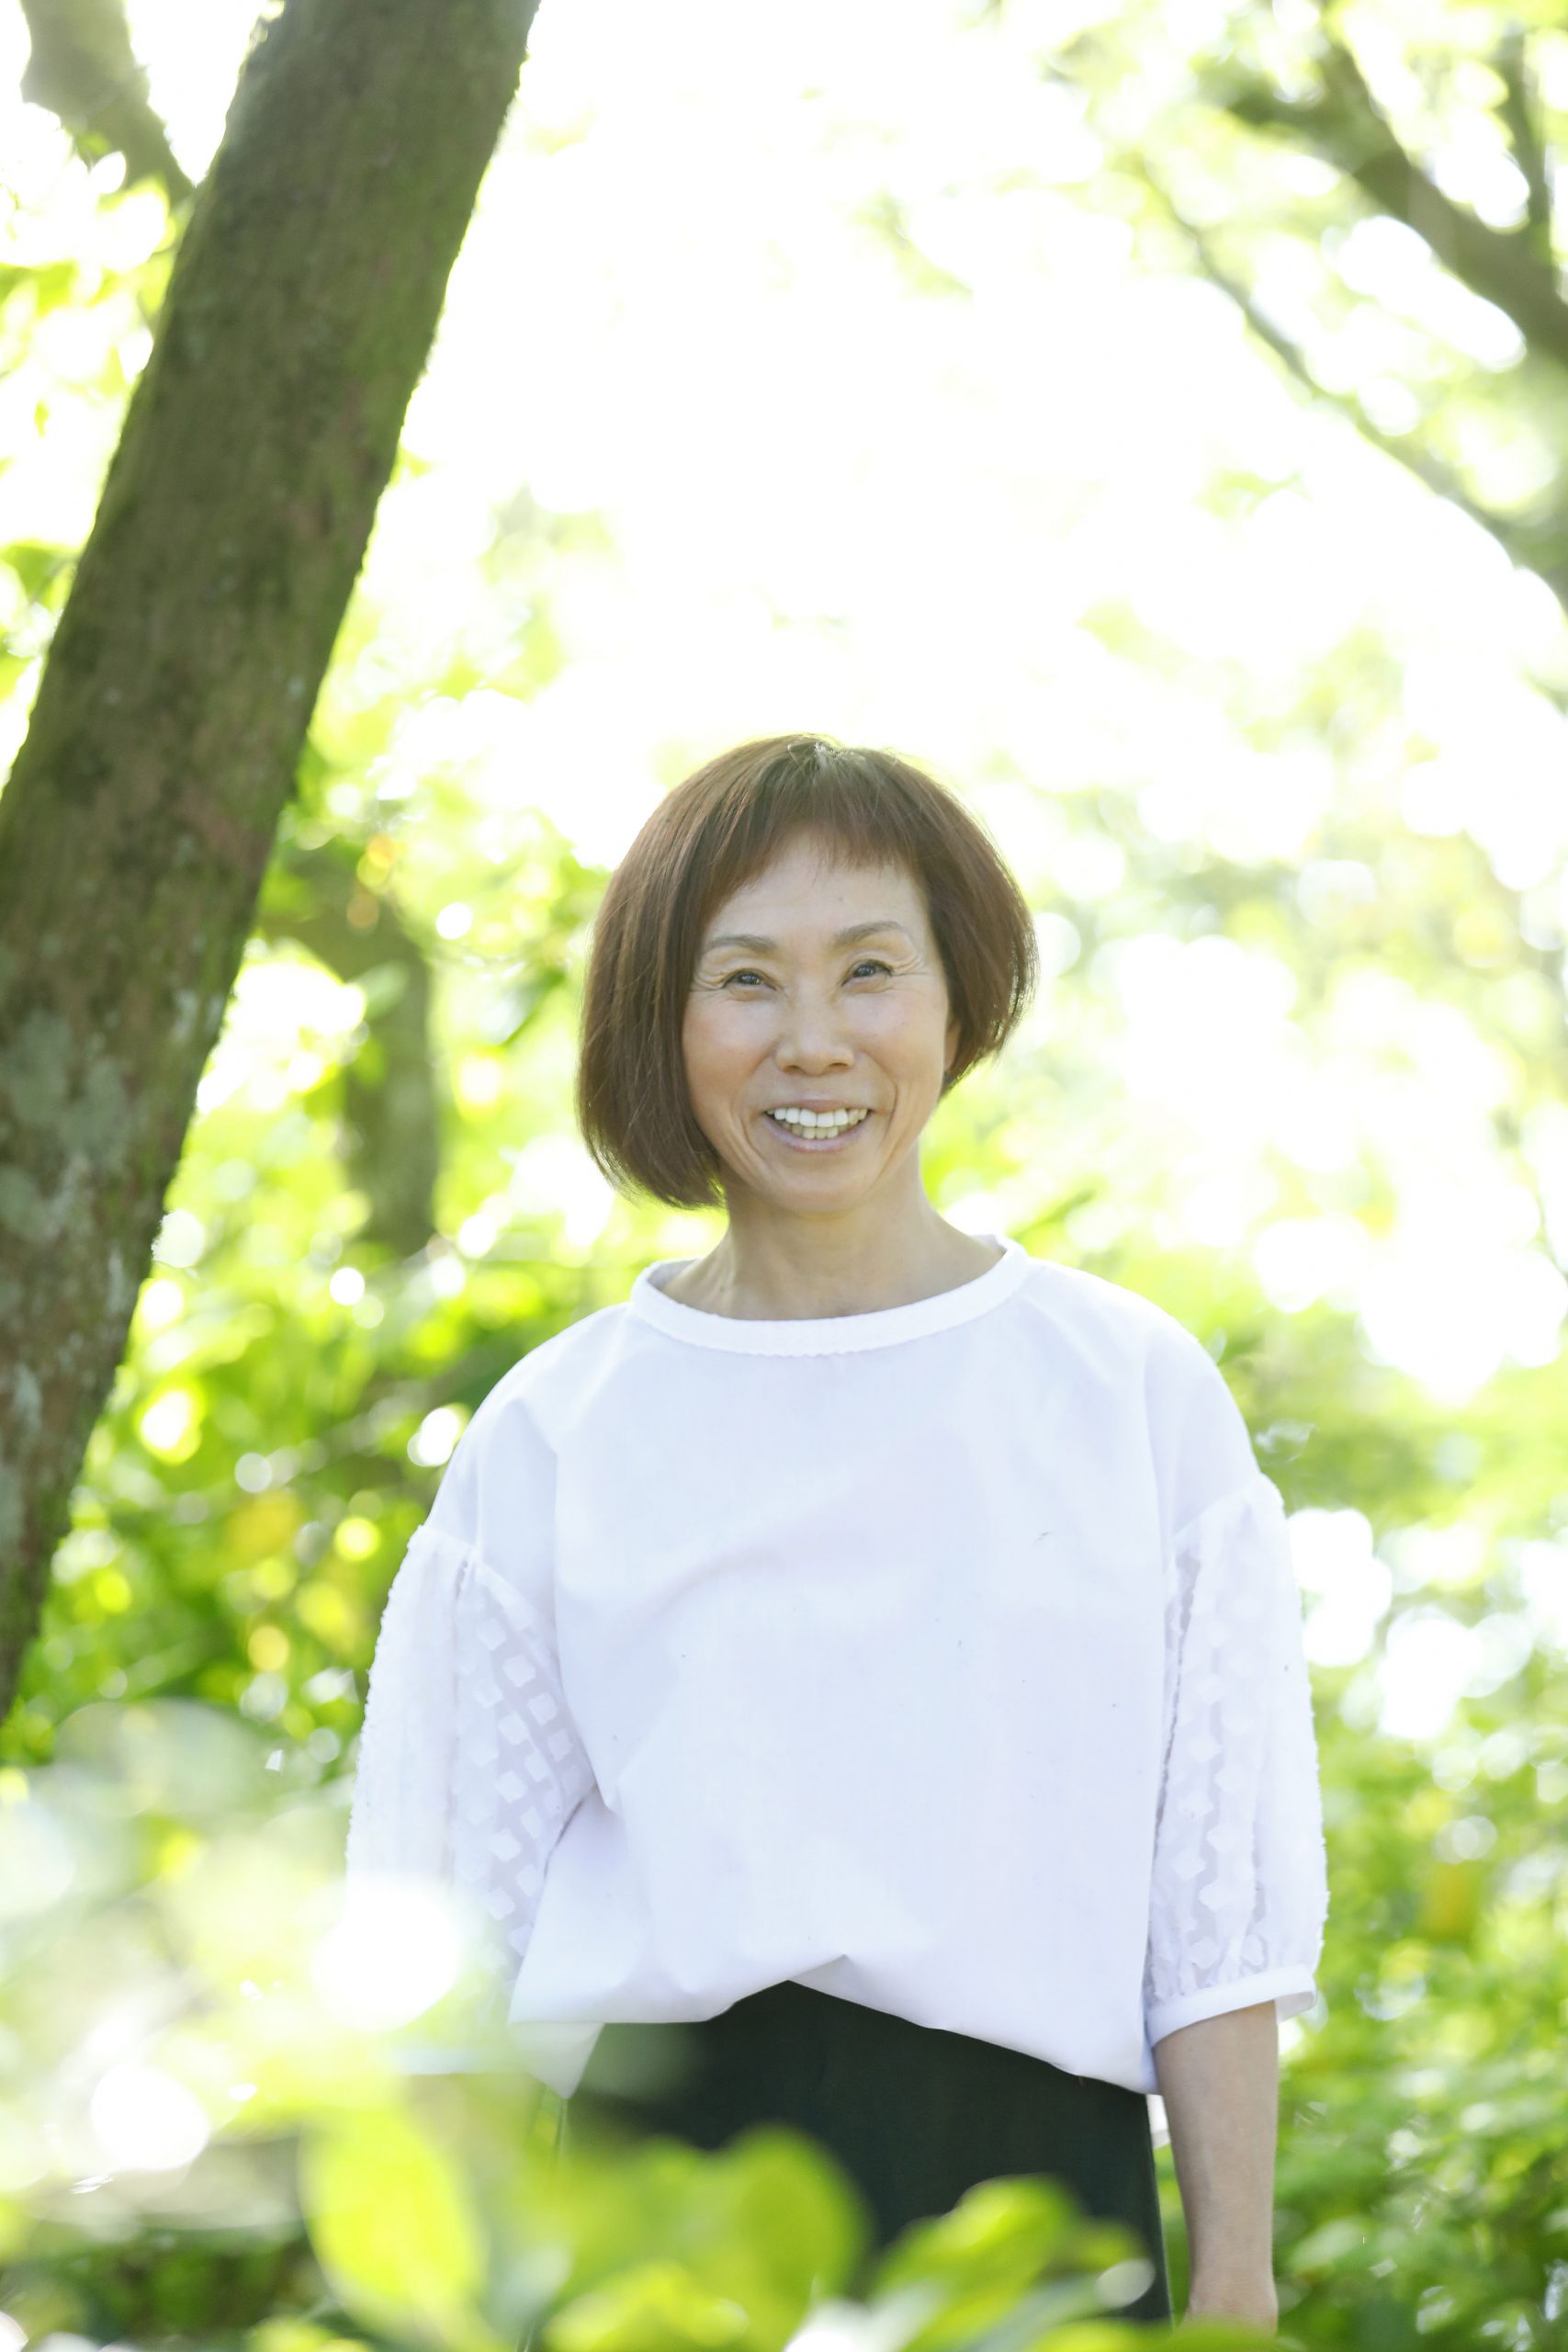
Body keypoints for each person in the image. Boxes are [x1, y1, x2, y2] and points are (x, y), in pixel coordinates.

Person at [344, 732, 1329, 2335]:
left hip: (1042, 2225)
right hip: (658, 2238)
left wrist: (1233, 2290)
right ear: (664, 1021)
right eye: (746, 981)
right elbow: (446, 1968)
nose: (813, 1042)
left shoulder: (1131, 1394)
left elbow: (1216, 1927)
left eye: (870, 970)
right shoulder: (557, 1432)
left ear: (957, 997)